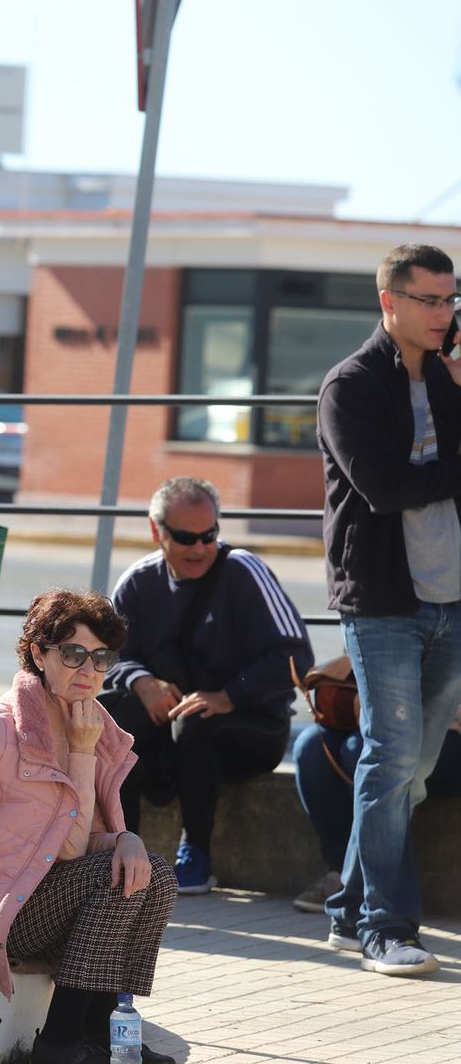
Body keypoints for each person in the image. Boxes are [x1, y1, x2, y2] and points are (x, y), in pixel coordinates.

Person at [0, 589, 178, 1064]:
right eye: (74, 654)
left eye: (101, 658)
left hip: (43, 897)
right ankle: (60, 1043)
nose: (89, 671)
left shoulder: (91, 726)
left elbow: (71, 845)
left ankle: (103, 1035)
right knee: (109, 877)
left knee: (152, 874)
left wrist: (126, 838)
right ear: (39, 654)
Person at [315, 242, 461, 976]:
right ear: (390, 302)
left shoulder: (449, 380)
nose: (445, 313)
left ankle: (345, 911)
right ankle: (385, 925)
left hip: (452, 597)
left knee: (417, 768)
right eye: (430, 299)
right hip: (382, 600)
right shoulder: (352, 385)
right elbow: (383, 487)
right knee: (391, 757)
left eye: (450, 299)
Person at [101, 476, 312, 896]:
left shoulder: (244, 571)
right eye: (185, 537)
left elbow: (295, 657)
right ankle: (122, 851)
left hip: (252, 724)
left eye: (208, 536)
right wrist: (142, 683)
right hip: (173, 722)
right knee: (114, 720)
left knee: (195, 721)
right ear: (156, 531)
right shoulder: (139, 582)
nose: (199, 548)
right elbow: (107, 656)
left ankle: (196, 852)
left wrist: (228, 696)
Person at [290, 710, 461, 913]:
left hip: (445, 732)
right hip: (381, 724)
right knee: (311, 747)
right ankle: (341, 872)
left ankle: (378, 887)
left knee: (360, 750)